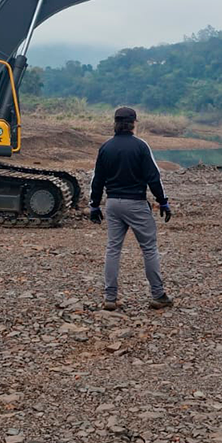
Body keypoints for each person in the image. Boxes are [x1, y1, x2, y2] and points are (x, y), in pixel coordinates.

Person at [89, 106, 174, 311]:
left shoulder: (106, 147)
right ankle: (158, 295)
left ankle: (110, 297)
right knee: (149, 248)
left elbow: (97, 179)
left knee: (113, 249)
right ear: (133, 123)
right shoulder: (141, 146)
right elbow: (153, 177)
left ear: (115, 123)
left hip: (112, 204)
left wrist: (94, 204)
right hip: (135, 203)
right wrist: (163, 201)